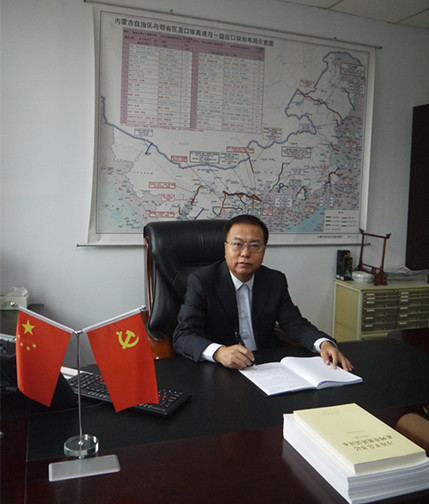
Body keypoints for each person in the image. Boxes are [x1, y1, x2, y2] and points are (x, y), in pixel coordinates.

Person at [173, 214, 353, 371]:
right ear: (225, 248)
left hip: (266, 365)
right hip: (221, 368)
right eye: (237, 244)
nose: (245, 253)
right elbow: (183, 335)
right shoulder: (202, 282)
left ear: (264, 251)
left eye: (254, 245)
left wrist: (323, 343)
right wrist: (219, 352)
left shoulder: (274, 281)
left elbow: (294, 323)